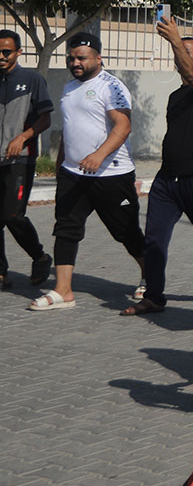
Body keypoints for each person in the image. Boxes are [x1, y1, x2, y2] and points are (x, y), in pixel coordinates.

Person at [121, 18, 193, 316]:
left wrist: (174, 38)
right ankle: (154, 297)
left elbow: (192, 74)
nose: (179, 55)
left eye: (186, 51)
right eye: (177, 51)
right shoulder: (175, 96)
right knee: (155, 240)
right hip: (166, 181)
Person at [29, 32, 145, 311]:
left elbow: (123, 126)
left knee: (126, 232)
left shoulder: (111, 86)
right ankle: (63, 291)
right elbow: (70, 127)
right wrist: (61, 163)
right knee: (66, 230)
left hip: (111, 175)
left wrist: (99, 155)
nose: (75, 63)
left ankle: (150, 276)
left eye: (81, 58)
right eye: (71, 58)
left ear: (98, 58)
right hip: (73, 174)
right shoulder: (69, 87)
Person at [0, 29, 53, 290]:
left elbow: (45, 119)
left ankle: (40, 257)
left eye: (6, 52)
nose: (1, 56)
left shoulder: (32, 79)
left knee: (13, 215)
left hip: (20, 160)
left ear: (18, 52)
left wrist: (22, 138)